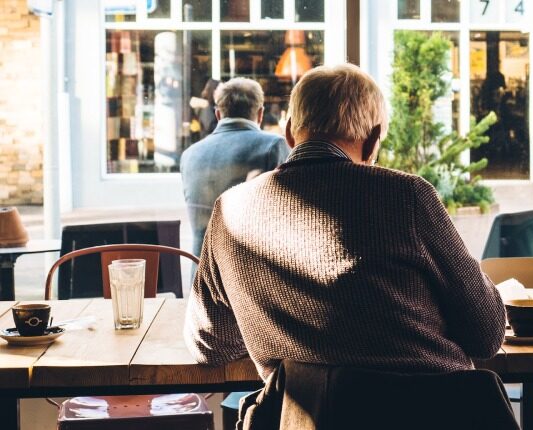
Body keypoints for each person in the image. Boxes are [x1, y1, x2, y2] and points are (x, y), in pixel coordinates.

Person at [184, 64, 505, 381]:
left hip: (305, 418)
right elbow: (486, 333)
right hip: (433, 412)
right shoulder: (407, 196)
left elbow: (209, 345)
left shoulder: (230, 210)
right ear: (373, 139)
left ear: (290, 132)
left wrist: (275, 323)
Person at [180, 77, 289, 257]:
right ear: (260, 114)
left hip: (200, 274)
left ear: (218, 114)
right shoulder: (273, 146)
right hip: (248, 274)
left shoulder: (189, 154)